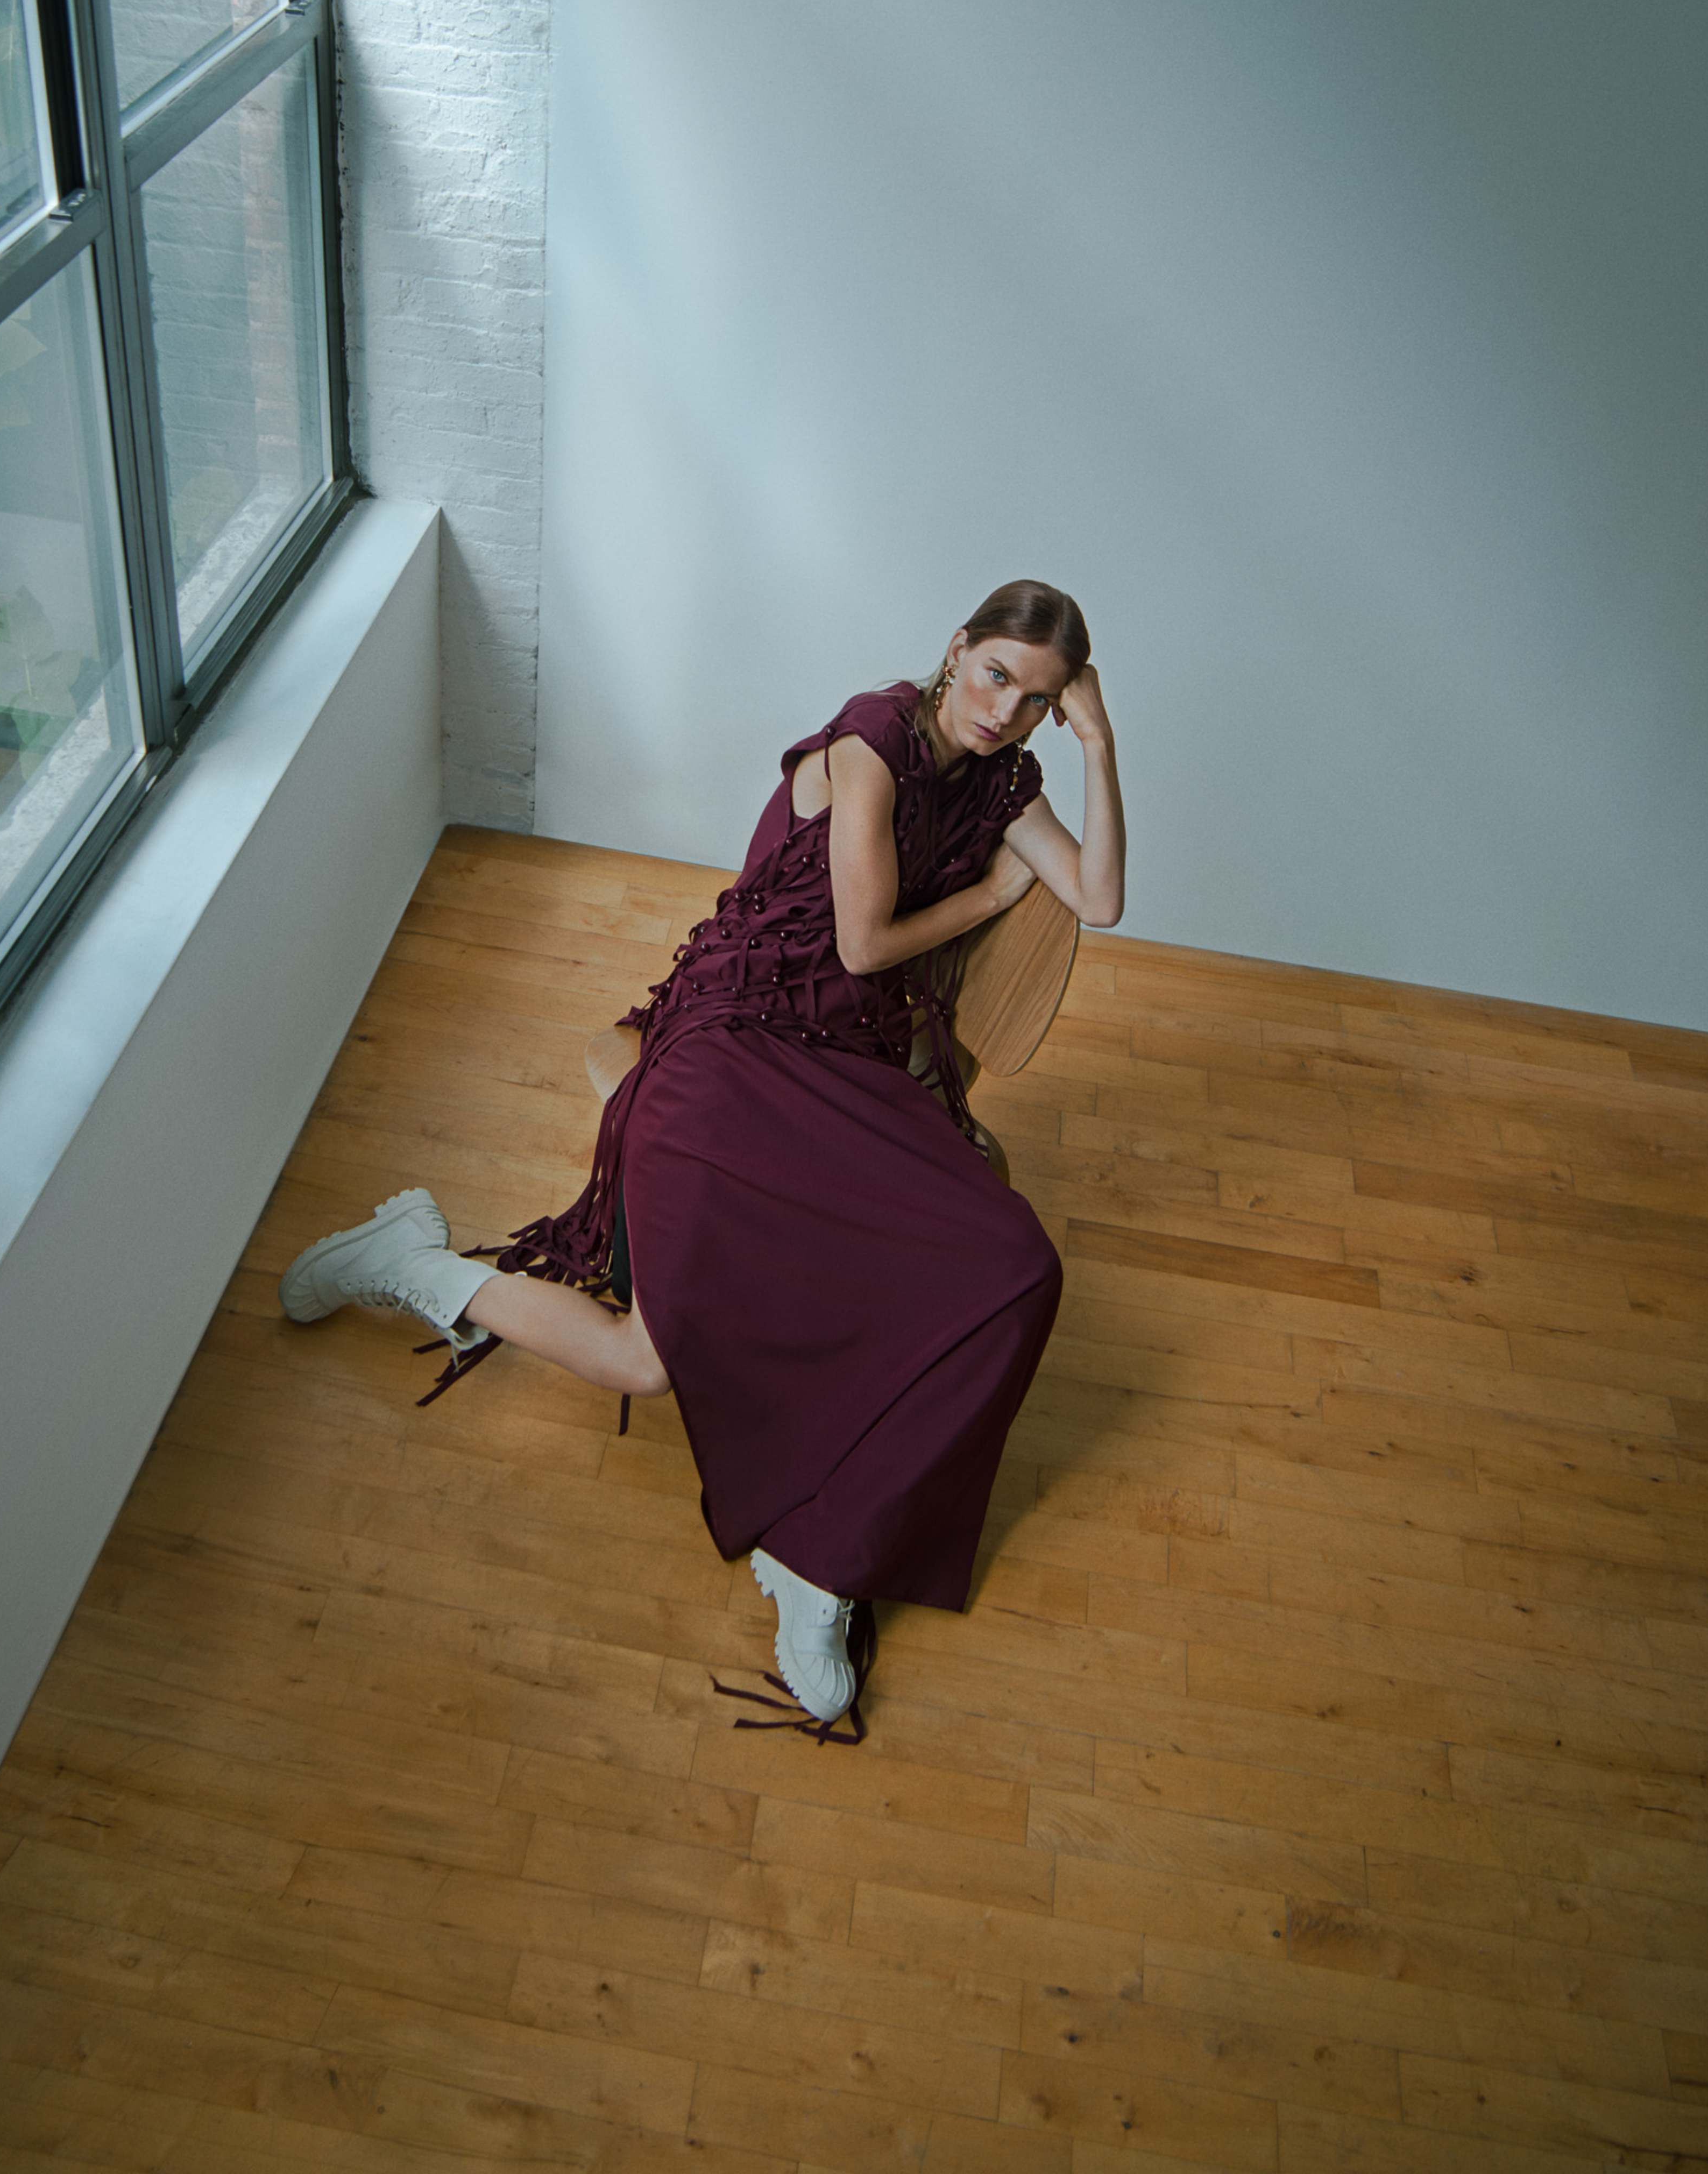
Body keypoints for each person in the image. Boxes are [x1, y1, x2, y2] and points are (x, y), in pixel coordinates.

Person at [279, 579, 1126, 1731]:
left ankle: (817, 1560)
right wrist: (984, 894)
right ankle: (413, 1265)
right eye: (994, 677)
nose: (1004, 712)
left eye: (1035, 701)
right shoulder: (873, 738)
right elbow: (863, 943)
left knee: (1017, 1271)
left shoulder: (1008, 775)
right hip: (734, 1041)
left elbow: (1103, 896)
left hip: (853, 1074)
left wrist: (1100, 742)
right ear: (954, 650)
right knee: (645, 1360)